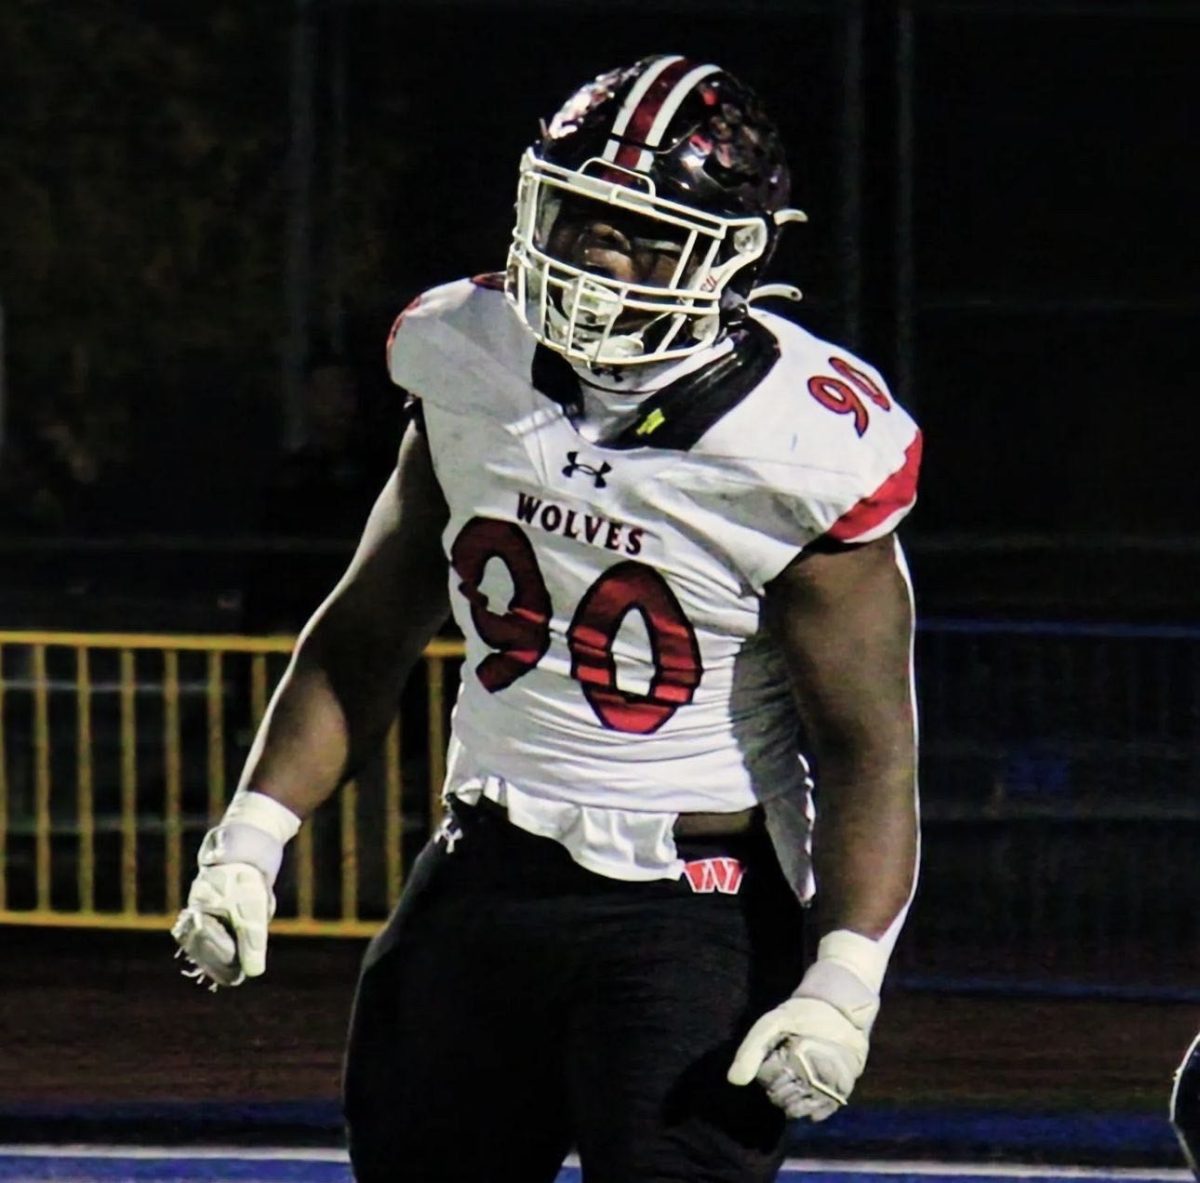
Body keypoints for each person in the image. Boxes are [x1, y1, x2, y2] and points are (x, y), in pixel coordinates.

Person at [172, 54, 922, 1183]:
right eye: (581, 219)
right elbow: (367, 628)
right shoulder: (467, 357)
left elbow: (868, 752)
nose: (600, 261)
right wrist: (250, 839)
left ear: (736, 256)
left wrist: (844, 978)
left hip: (692, 904)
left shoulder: (798, 446)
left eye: (645, 234)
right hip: (484, 866)